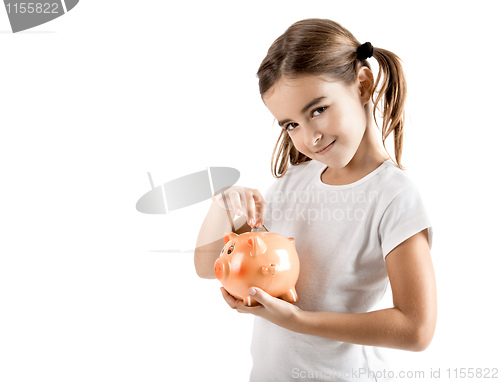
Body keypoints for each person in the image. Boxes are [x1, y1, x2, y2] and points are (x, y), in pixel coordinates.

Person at [194, 18, 436, 382]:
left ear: (363, 84)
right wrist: (222, 205)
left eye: (318, 110)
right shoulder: (295, 181)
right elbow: (207, 265)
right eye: (290, 124)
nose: (308, 137)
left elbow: (416, 329)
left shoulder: (394, 198)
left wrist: (299, 321)